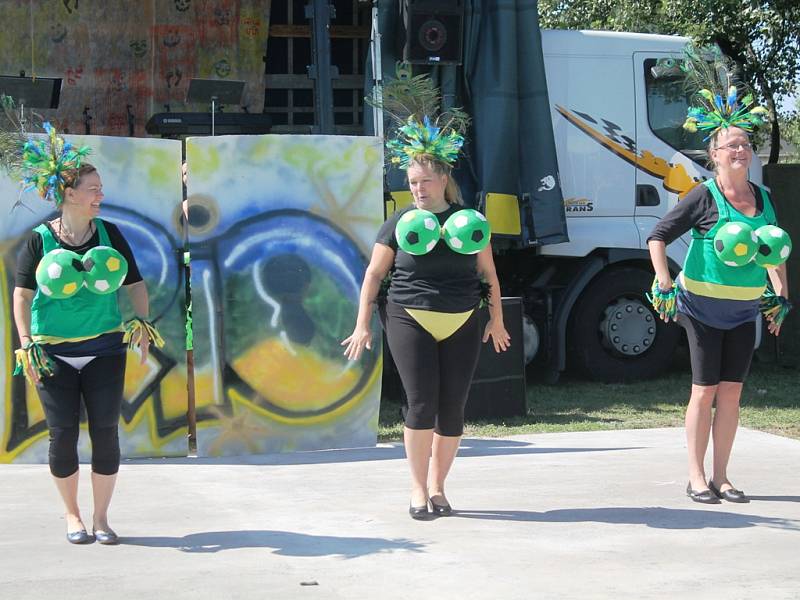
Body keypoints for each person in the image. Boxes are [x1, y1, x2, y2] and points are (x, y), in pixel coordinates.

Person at [342, 113, 510, 520]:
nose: (416, 189)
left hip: (461, 317)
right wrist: (362, 322)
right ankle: (417, 489)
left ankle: (438, 487)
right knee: (420, 404)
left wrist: (497, 319)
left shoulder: (468, 222)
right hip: (408, 316)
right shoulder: (399, 223)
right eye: (412, 182)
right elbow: (375, 274)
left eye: (424, 182)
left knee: (452, 407)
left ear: (444, 180)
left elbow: (487, 273)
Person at [647, 54, 790, 504]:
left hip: (744, 309)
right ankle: (695, 476)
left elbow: (773, 248)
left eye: (745, 143)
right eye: (731, 145)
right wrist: (664, 282)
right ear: (714, 155)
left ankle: (723, 476)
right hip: (701, 308)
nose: (740, 150)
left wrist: (781, 293)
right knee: (704, 390)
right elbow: (659, 235)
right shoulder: (703, 196)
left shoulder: (764, 197)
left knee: (731, 394)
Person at [11, 124, 163, 544]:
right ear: (70, 194)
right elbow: (21, 296)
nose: (100, 194)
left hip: (105, 349)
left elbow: (135, 283)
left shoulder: (110, 234)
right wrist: (27, 345)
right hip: (53, 353)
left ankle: (101, 519)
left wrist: (141, 323)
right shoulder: (39, 241)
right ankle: (72, 516)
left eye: (100, 188)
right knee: (62, 436)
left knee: (105, 433)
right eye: (93, 188)